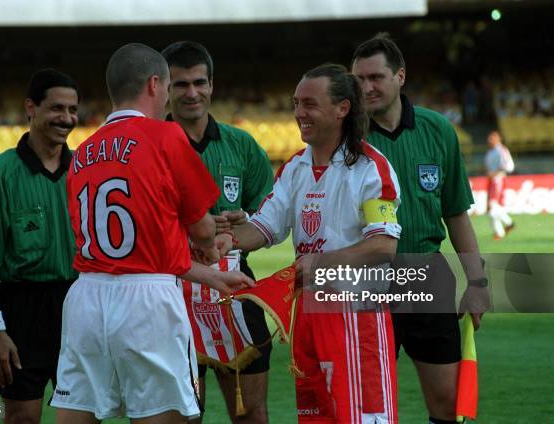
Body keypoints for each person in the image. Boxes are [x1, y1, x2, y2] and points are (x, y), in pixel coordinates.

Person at [50, 43, 253, 424]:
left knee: (76, 413)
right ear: (155, 84)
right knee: (163, 416)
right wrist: (208, 247)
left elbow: (140, 247)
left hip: (86, 297)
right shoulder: (165, 136)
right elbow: (203, 227)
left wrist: (206, 274)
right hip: (146, 304)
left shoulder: (82, 152)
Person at [223, 63, 401, 423]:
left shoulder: (371, 168)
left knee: (363, 418)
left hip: (355, 314)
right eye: (296, 103)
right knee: (316, 415)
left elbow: (384, 246)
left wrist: (320, 262)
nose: (299, 113)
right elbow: (263, 227)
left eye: (309, 104)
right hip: (306, 312)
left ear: (342, 109)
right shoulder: (294, 168)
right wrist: (224, 240)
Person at [351, 34, 490, 424]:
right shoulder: (345, 137)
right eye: (358, 79)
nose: (367, 87)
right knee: (368, 405)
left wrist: (477, 285)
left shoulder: (438, 130)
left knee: (447, 404)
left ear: (400, 77)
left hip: (426, 276)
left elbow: (456, 214)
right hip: (365, 281)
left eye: (376, 77)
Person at [0, 68, 80, 424]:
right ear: (31, 107)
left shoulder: (86, 169)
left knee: (84, 415)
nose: (67, 118)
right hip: (22, 310)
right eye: (57, 108)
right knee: (22, 417)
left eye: (73, 110)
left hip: (80, 303)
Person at [161, 40, 274, 424]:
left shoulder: (241, 144)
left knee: (250, 413)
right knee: (183, 415)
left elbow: (271, 209)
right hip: (170, 291)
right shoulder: (149, 146)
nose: (192, 93)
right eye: (180, 85)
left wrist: (243, 223)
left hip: (234, 288)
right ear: (162, 88)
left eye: (199, 82)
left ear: (212, 84)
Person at [484, 130, 515, 240]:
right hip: (491, 181)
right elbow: (488, 168)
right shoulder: (489, 152)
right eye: (489, 138)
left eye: (492, 138)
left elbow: (509, 166)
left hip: (498, 180)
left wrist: (495, 173)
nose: (489, 140)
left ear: (498, 139)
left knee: (493, 207)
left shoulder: (502, 150)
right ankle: (507, 225)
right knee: (492, 208)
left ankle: (503, 228)